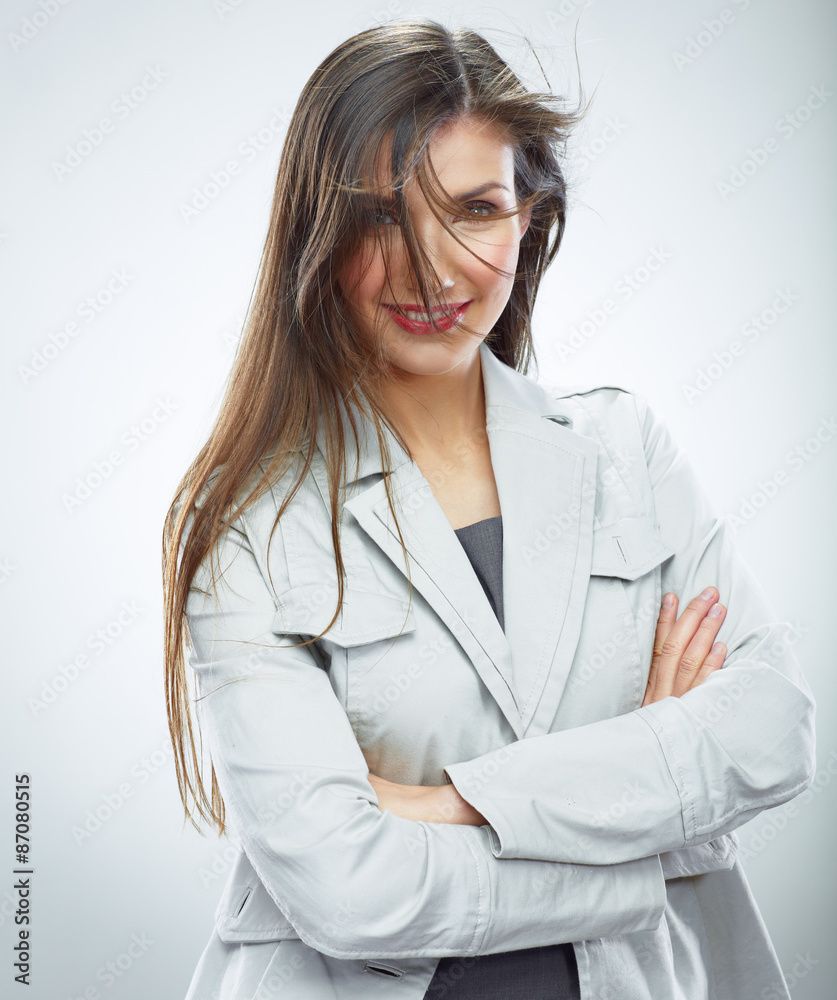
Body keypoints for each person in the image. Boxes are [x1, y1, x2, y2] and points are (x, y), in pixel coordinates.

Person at [162, 19, 816, 1000]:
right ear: (319, 233)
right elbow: (350, 891)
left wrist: (444, 804)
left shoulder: (624, 451)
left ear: (528, 218)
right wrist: (642, 803)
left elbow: (771, 732)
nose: (432, 270)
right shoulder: (245, 519)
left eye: (474, 208)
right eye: (383, 216)